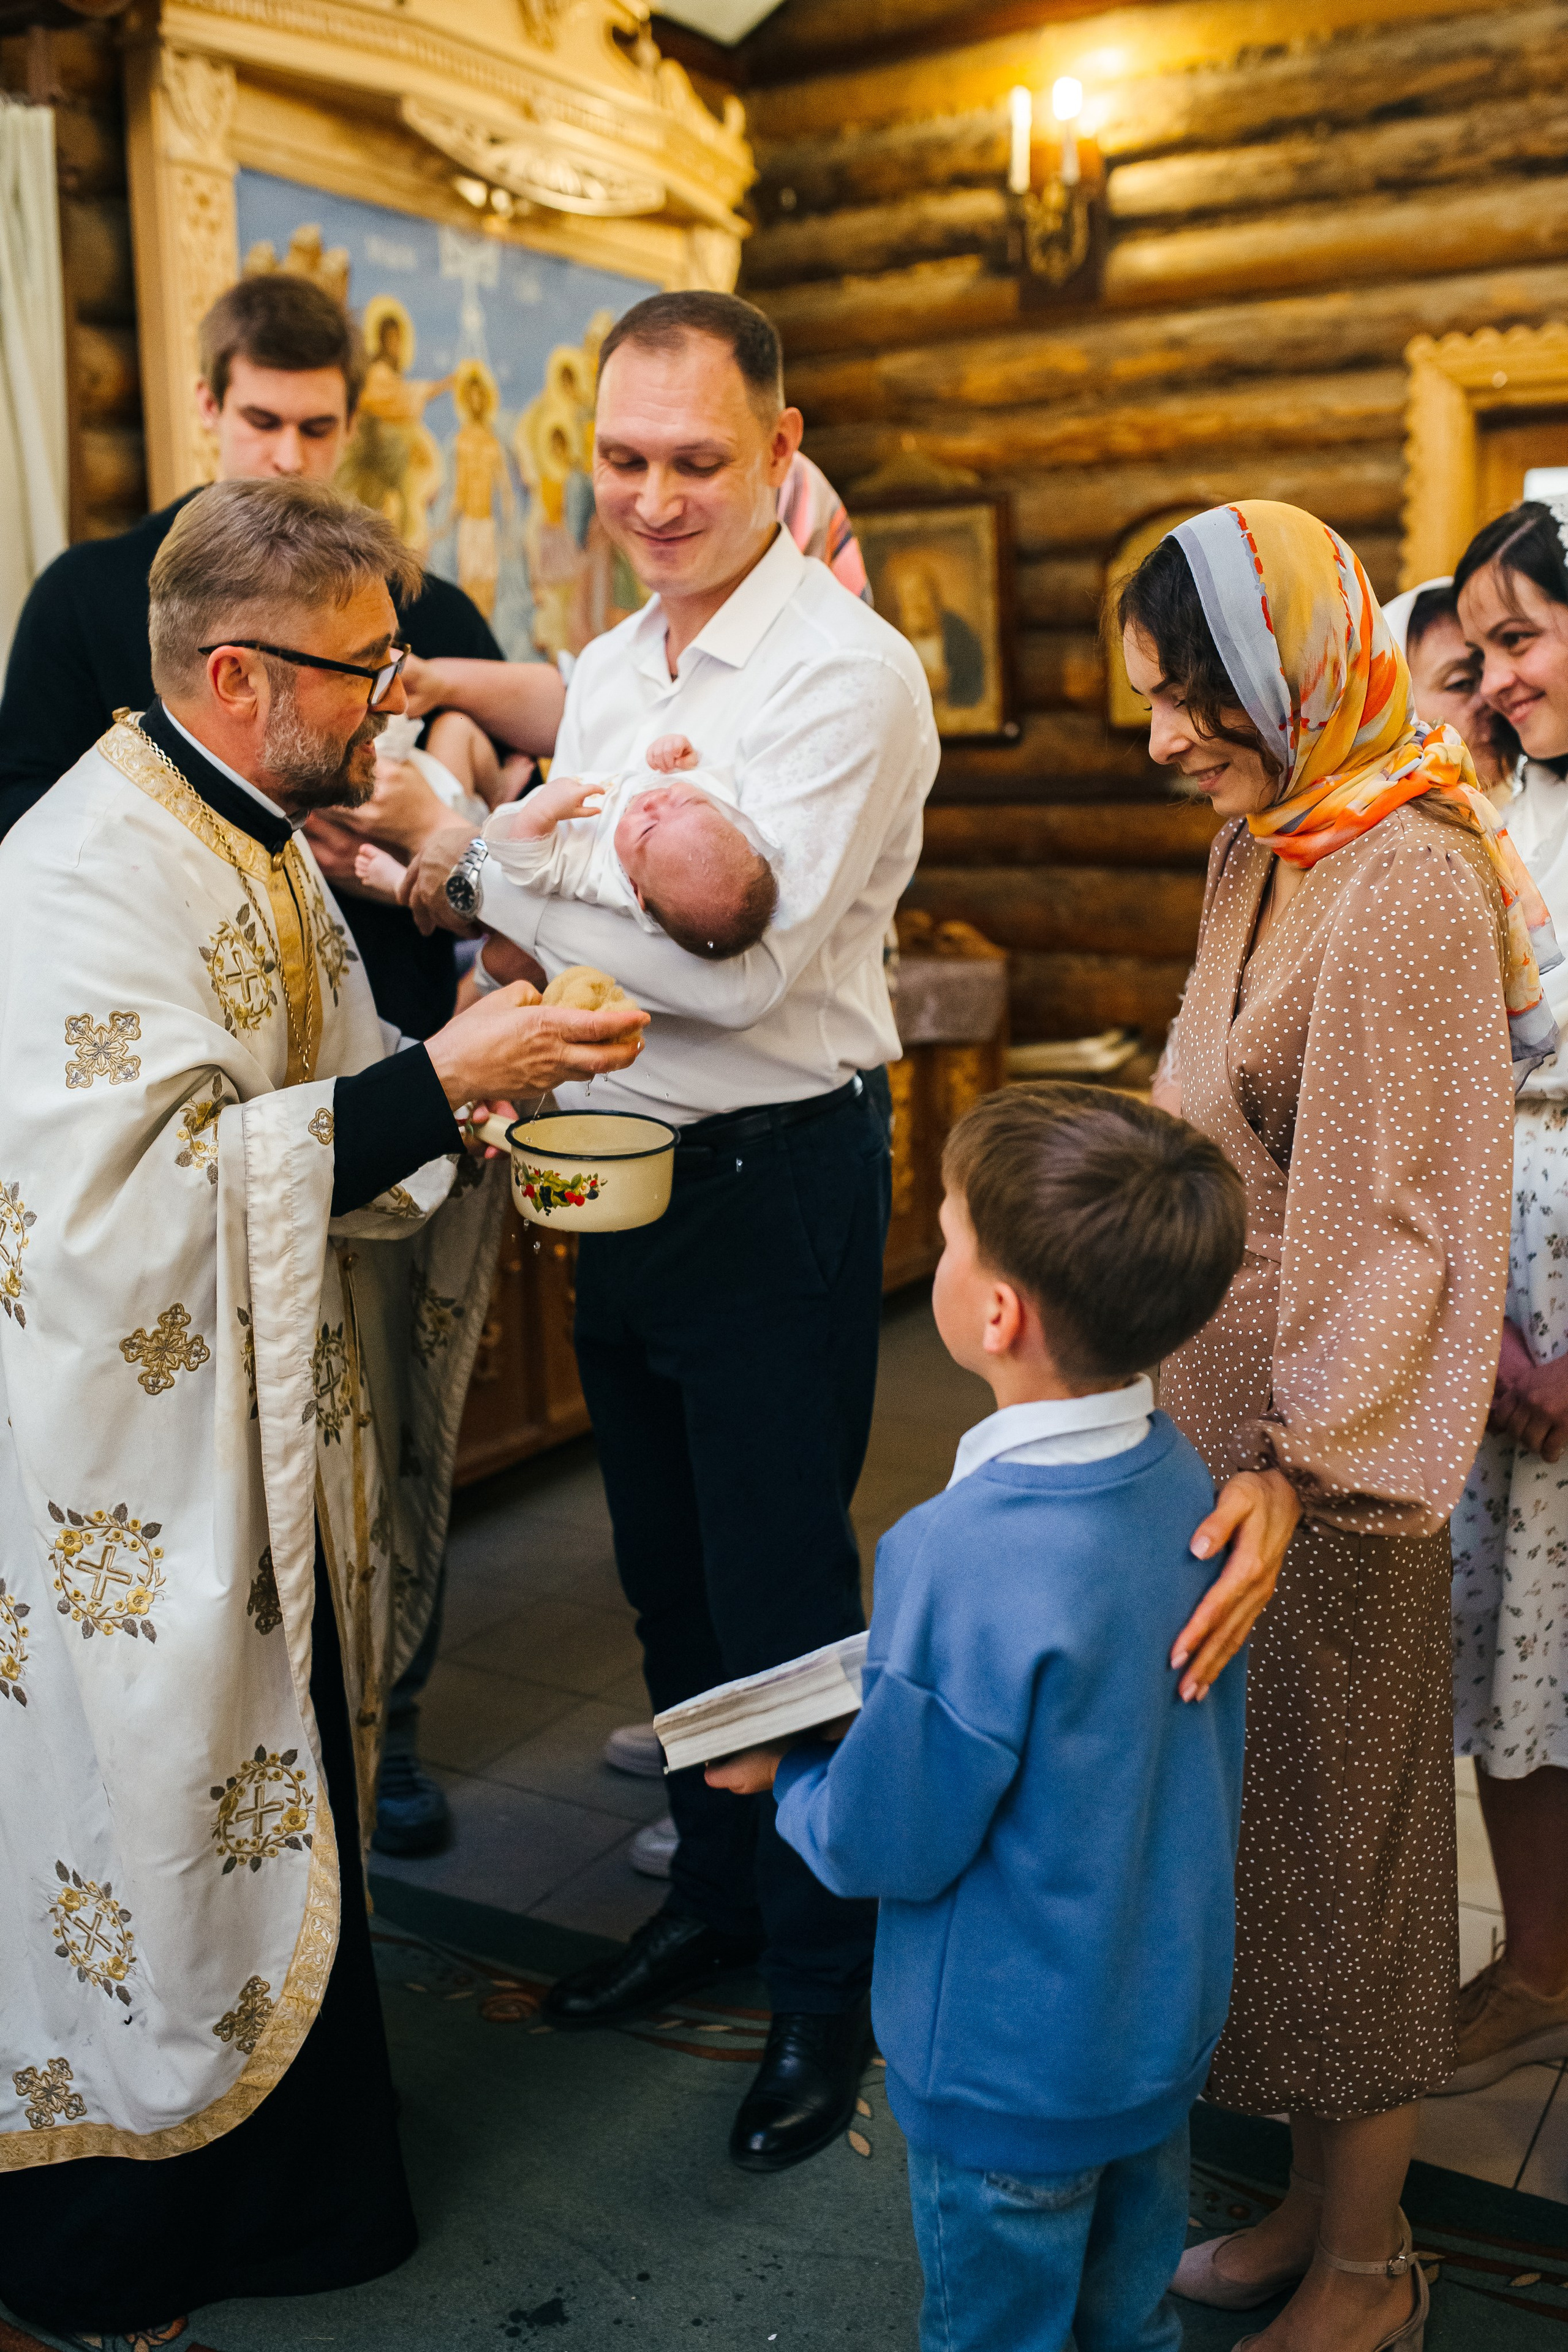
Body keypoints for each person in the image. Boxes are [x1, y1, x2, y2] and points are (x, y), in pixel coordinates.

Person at [0, 477, 647, 2346]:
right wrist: (444, 1073)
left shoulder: (264, 836)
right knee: (154, 1812)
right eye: (360, 672)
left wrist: (476, 1092)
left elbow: (340, 1096)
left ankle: (292, 2174)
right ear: (232, 670)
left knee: (273, 1791)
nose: (389, 710)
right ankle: (125, 2223)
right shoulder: (74, 875)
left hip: (263, 1430)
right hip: (135, 1472)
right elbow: (115, 1219)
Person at [1125, 500, 1521, 2352]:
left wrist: (1301, 1462)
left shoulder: (1407, 880)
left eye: (1192, 694)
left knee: (1347, 1867)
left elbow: (1404, 1220)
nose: (1160, 737)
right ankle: (1306, 2200)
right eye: (1151, 698)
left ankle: (1373, 2271)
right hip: (1232, 1442)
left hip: (1327, 1473)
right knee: (1261, 1848)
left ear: (1295, 670)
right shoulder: (1274, 838)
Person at [706, 1082, 1250, 2352]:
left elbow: (889, 1840)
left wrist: (788, 1782)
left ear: (994, 1310)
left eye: (947, 1233)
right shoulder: (1181, 1475)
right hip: (1152, 2025)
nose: (940, 1251)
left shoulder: (955, 1551)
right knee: (1128, 2320)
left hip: (1007, 2062)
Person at [1445, 499, 1568, 2092]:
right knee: (1514, 1630)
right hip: (1508, 1258)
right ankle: (1541, 1958)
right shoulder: (1500, 814)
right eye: (1482, 650)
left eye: (1523, 640)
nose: (1498, 678)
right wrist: (1485, 1319)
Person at [477, 748, 778, 959]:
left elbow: (527, 868)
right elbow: (711, 780)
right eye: (683, 803)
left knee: (457, 732)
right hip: (559, 779)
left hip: (514, 820)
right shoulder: (715, 813)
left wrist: (539, 814)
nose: (655, 803)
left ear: (637, 890)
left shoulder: (598, 872)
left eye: (647, 831)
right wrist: (681, 761)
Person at [1384, 574, 1518, 801]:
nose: (1492, 695)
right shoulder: (1385, 832)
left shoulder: (1552, 812)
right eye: (1461, 683)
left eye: (1494, 672)